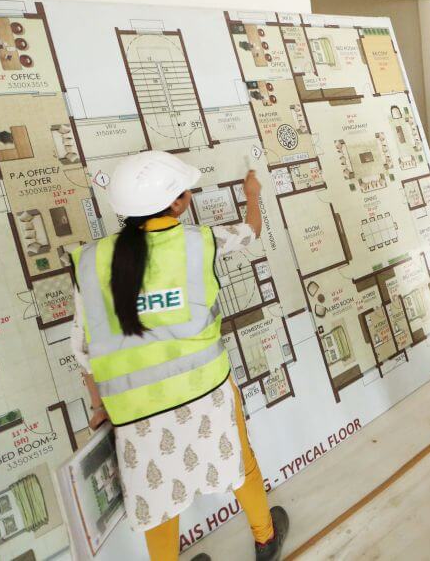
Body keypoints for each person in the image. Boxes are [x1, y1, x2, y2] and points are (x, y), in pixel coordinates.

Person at [75, 151, 289, 561]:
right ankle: (265, 540)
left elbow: (85, 348)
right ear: (176, 203)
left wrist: (99, 407)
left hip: (134, 410)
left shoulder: (91, 262)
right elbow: (251, 230)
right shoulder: (200, 243)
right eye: (185, 190)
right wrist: (253, 193)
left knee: (156, 497)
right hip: (207, 391)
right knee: (239, 463)